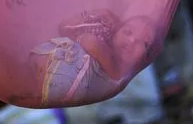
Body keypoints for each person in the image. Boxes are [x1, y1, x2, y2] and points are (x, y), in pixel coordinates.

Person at [29, 8, 157, 106]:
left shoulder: (117, 75)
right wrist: (96, 14)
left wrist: (89, 35)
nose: (133, 40)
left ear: (145, 60)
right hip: (39, 60)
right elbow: (64, 27)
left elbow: (92, 44)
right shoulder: (101, 48)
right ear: (116, 33)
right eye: (128, 31)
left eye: (144, 43)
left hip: (45, 85)